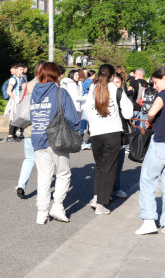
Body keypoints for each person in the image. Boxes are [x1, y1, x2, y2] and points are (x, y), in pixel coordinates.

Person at [29, 61, 81, 225]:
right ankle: (57, 206)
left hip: (37, 138)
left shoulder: (34, 93)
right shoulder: (60, 93)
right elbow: (72, 118)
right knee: (63, 173)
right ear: (55, 74)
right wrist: (76, 131)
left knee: (44, 176)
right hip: (56, 138)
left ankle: (42, 212)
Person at [83, 64, 133, 216]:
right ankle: (100, 204)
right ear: (112, 77)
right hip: (112, 133)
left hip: (96, 133)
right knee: (109, 168)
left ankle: (96, 196)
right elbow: (128, 113)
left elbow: (86, 111)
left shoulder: (92, 90)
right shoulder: (116, 90)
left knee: (99, 166)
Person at [135, 67, 165, 234]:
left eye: (156, 82)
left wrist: (150, 120)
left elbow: (152, 112)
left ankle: (148, 220)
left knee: (148, 180)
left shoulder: (162, 95)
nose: (155, 86)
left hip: (160, 141)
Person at [15, 61, 45, 199]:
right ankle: (43, 190)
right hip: (43, 127)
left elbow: (21, 103)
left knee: (29, 158)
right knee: (44, 160)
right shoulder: (48, 86)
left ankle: (21, 185)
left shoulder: (26, 85)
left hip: (28, 126)